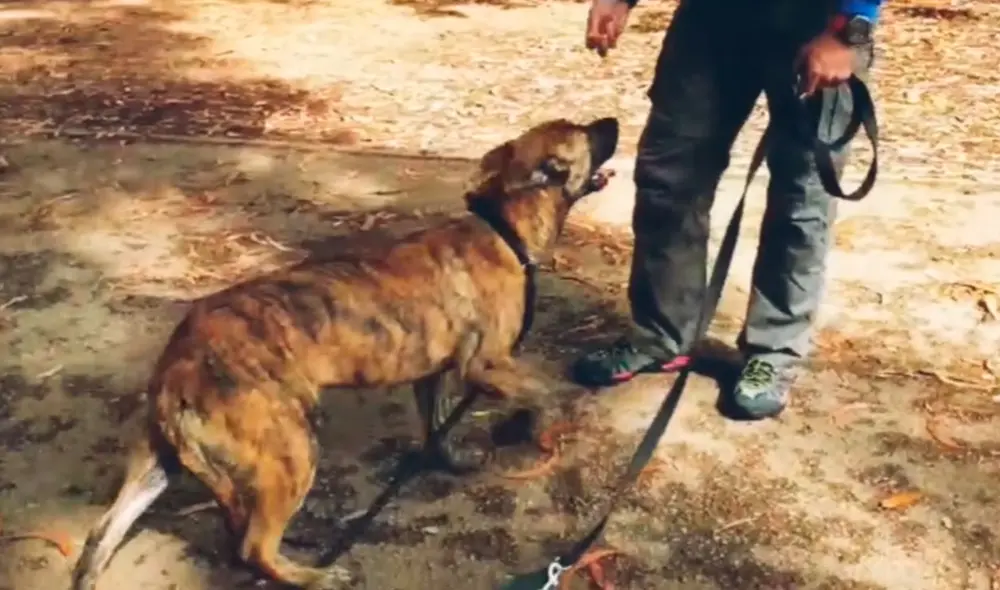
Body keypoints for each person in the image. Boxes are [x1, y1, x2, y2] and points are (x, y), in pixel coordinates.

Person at [571, 0, 882, 418]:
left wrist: (848, 27)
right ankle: (661, 336)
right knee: (670, 175)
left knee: (802, 196)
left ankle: (773, 352)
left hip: (818, 19)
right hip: (712, 17)